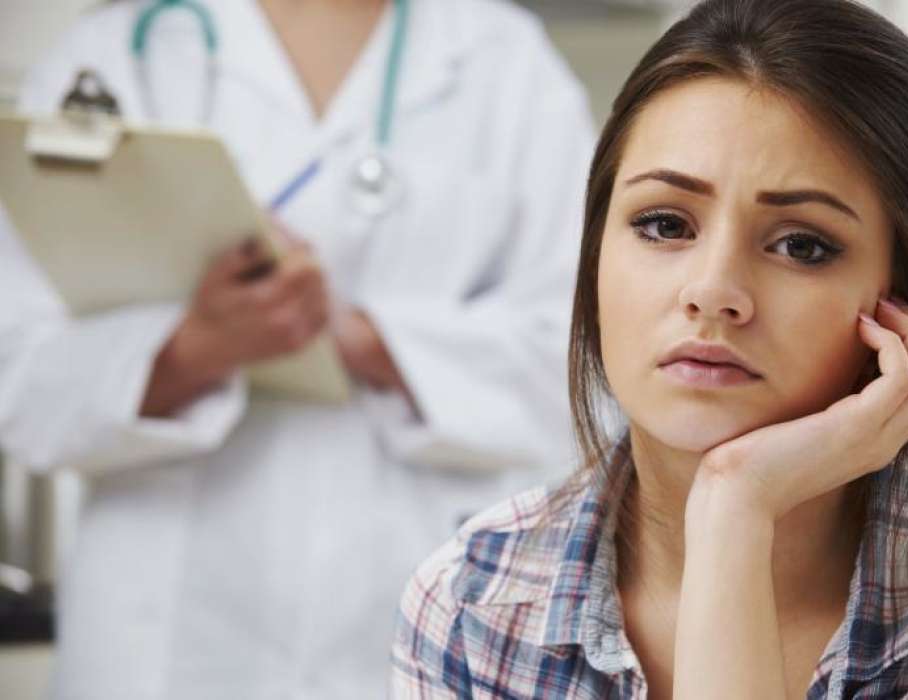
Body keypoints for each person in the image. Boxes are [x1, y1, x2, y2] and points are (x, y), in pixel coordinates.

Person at [390, 0, 908, 696]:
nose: (714, 291)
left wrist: (735, 506)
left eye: (802, 245)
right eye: (665, 224)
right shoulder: (473, 603)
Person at [0, 0, 594, 697]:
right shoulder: (117, 53)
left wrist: (359, 339)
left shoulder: (506, 64)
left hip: (414, 611)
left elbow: (588, 366)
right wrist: (194, 350)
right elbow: (20, 377)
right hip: (157, 635)